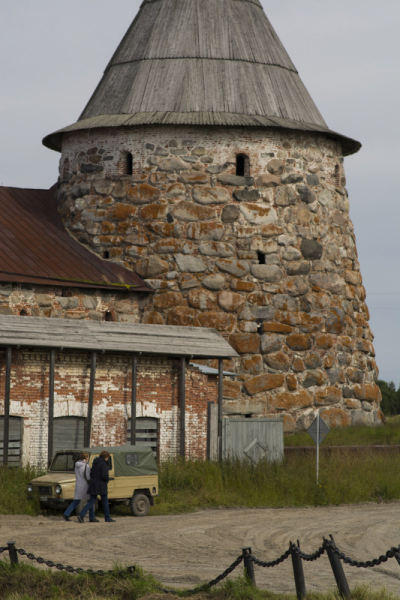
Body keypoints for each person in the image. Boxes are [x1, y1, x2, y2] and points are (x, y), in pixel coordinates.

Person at [78, 450, 115, 523]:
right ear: (106, 457)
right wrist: (107, 479)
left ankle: (90, 517)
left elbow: (91, 473)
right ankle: (107, 518)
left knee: (92, 501)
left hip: (93, 483)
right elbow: (104, 475)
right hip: (101, 484)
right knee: (105, 501)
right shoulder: (104, 464)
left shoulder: (95, 463)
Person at [63, 452, 99, 523]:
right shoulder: (86, 465)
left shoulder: (77, 465)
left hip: (78, 484)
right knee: (91, 500)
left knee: (77, 500)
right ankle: (91, 517)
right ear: (86, 458)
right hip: (85, 485)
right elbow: (87, 476)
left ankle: (66, 513)